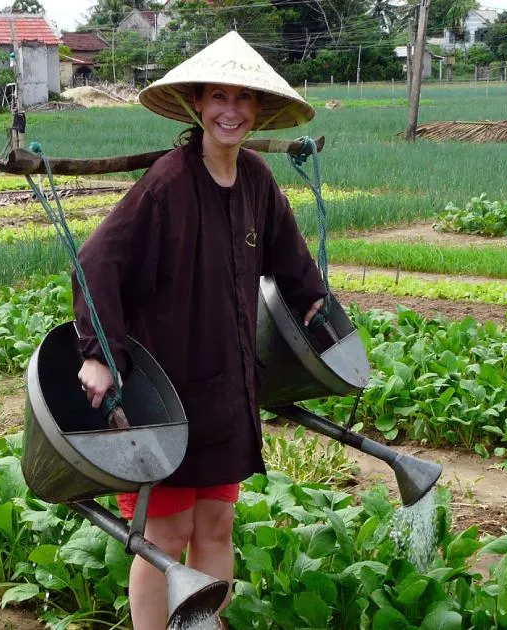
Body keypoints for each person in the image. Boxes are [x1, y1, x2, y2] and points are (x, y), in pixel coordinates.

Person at [73, 31, 326, 630]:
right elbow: (95, 261)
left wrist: (315, 304)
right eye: (218, 97)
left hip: (228, 390)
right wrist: (98, 354)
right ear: (197, 105)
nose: (230, 111)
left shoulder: (258, 181)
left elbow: (291, 264)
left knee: (215, 526)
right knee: (165, 531)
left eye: (243, 99)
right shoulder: (167, 183)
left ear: (258, 110)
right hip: (168, 391)